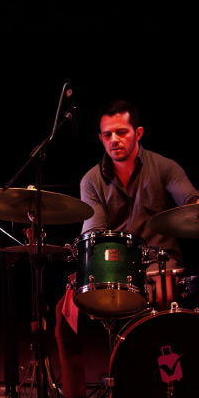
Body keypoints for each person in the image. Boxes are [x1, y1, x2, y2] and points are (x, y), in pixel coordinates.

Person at [54, 100, 199, 398]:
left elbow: (191, 204)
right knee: (64, 312)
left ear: (138, 133)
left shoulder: (165, 167)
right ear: (100, 138)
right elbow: (94, 233)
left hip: (162, 268)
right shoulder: (91, 180)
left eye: (121, 132)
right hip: (117, 270)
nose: (114, 140)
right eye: (107, 134)